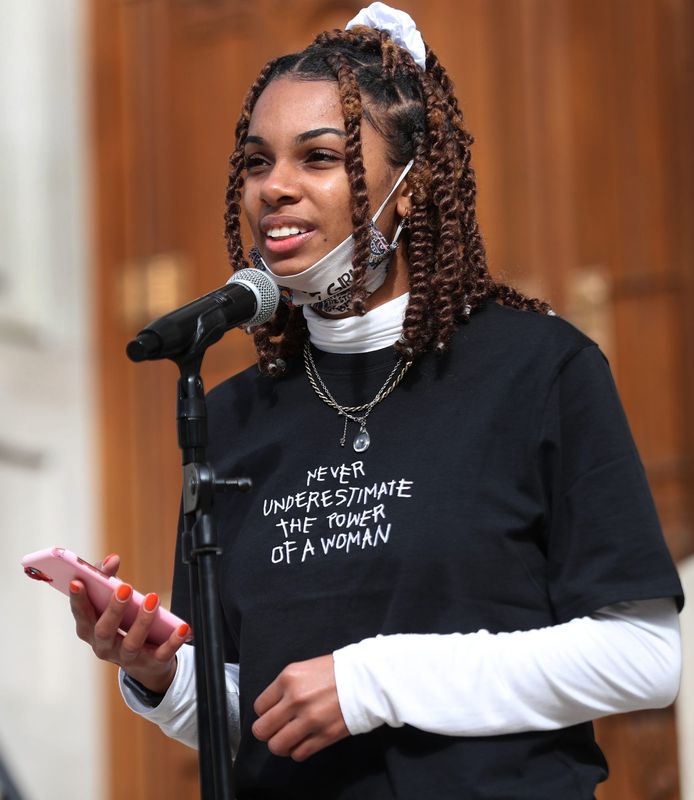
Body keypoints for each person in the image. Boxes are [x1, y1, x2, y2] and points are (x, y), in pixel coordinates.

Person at [69, 4, 684, 798]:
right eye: (257, 163)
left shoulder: (538, 372)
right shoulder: (228, 418)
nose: (274, 189)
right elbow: (258, 712)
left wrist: (374, 683)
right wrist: (159, 676)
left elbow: (643, 659)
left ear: (410, 184)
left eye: (319, 157)